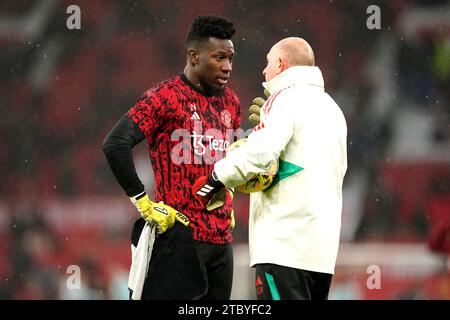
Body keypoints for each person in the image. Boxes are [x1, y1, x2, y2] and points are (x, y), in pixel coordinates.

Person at [193, 37, 347, 300]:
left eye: (267, 63)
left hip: (284, 246)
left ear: (280, 63)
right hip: (321, 252)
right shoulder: (333, 109)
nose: (264, 72)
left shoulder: (284, 99)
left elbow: (261, 153)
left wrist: (217, 177)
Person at [102, 15, 241, 300]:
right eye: (219, 57)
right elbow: (115, 144)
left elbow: (233, 160)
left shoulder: (232, 102)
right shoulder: (165, 97)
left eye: (230, 58)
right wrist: (143, 202)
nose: (227, 66)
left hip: (223, 244)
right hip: (181, 240)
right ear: (193, 56)